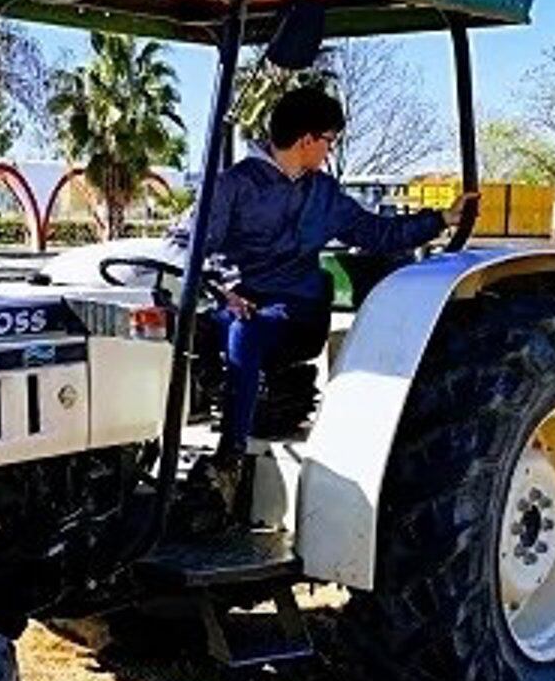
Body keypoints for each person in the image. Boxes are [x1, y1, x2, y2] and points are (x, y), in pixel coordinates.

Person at [176, 86, 475, 527]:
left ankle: (229, 461)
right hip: (234, 303)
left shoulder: (323, 194)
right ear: (307, 140)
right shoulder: (234, 186)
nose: (329, 150)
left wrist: (440, 220)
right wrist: (222, 291)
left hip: (294, 313)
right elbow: (186, 245)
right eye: (329, 141)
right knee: (199, 324)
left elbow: (377, 233)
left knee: (247, 330)